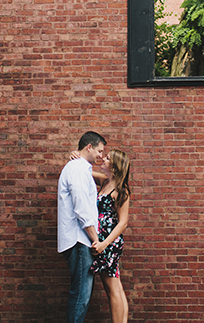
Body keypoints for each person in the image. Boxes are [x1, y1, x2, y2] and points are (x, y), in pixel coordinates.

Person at [58, 131, 106, 323]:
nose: (101, 155)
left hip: (80, 240)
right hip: (80, 240)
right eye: (100, 151)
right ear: (89, 147)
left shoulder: (80, 168)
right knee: (81, 296)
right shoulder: (77, 168)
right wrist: (96, 239)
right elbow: (81, 208)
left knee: (80, 295)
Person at [90, 149, 131, 323]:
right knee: (116, 286)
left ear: (114, 167)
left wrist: (103, 244)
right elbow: (84, 171)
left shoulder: (121, 190)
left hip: (109, 243)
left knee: (111, 287)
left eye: (107, 158)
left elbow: (123, 223)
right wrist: (75, 155)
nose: (103, 159)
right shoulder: (105, 181)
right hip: (106, 242)